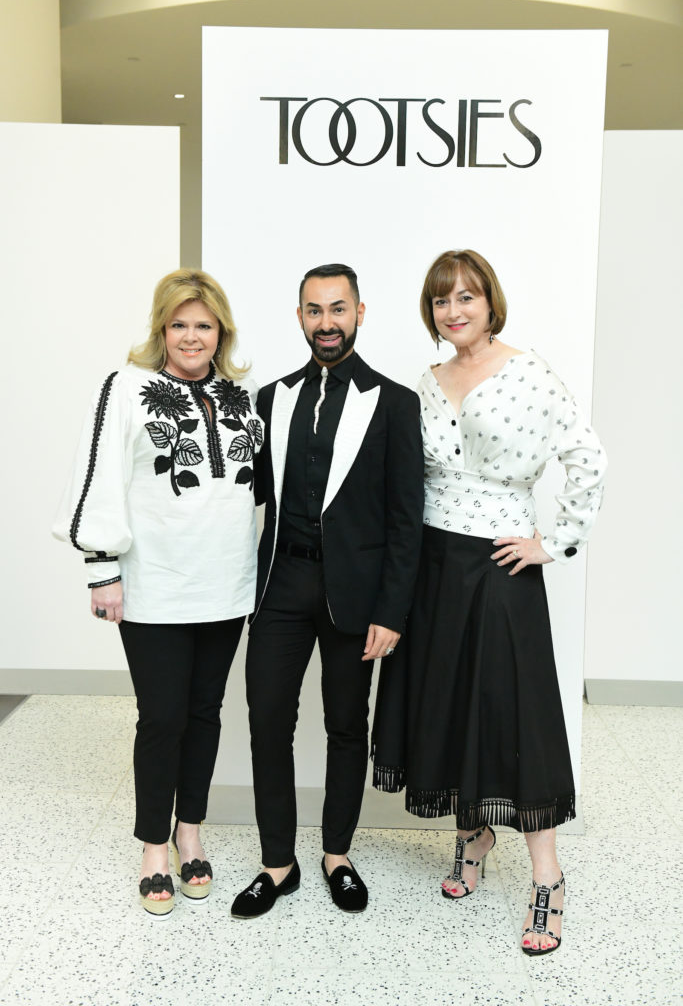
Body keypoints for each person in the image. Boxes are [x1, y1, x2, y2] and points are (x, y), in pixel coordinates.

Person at [372, 249, 606, 954]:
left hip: (497, 566)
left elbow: (586, 457)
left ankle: (546, 878)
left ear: (488, 302)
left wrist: (551, 540)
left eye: (466, 296)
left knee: (512, 712)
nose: (454, 310)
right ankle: (470, 842)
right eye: (442, 300)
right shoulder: (426, 380)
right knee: (441, 703)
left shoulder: (527, 373)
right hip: (431, 565)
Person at [53, 268, 262, 917]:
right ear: (161, 329)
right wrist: (101, 569)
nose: (191, 336)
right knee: (162, 717)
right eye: (179, 324)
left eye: (203, 324)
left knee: (205, 714)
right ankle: (152, 846)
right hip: (155, 586)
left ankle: (189, 832)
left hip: (227, 585)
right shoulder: (127, 387)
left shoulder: (239, 393)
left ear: (219, 329)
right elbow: (102, 475)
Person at [230, 263, 424, 918]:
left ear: (360, 313)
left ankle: (337, 855)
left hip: (356, 595)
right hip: (281, 583)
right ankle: (276, 862)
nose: (326, 322)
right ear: (299, 318)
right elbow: (245, 494)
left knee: (346, 727)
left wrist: (391, 609)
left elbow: (405, 517)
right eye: (314, 310)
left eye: (337, 309)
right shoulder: (270, 399)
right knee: (265, 724)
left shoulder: (394, 403)